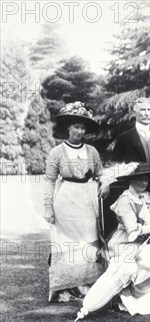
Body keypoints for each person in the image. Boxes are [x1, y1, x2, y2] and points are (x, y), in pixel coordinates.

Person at [44, 102, 104, 302]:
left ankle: (86, 283)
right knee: (67, 244)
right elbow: (50, 180)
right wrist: (48, 207)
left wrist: (105, 185)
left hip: (87, 201)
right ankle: (66, 287)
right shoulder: (57, 152)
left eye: (82, 127)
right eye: (76, 126)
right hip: (65, 201)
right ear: (68, 127)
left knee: (88, 241)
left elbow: (100, 174)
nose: (79, 131)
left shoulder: (92, 151)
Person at [103, 162, 150, 316]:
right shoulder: (125, 200)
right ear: (130, 181)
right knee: (149, 257)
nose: (143, 183)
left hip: (140, 242)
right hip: (124, 243)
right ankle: (136, 300)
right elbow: (132, 231)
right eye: (139, 180)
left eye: (146, 180)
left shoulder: (145, 197)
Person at [109, 97, 150, 229]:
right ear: (134, 112)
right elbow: (115, 166)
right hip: (135, 192)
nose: (146, 113)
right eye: (142, 110)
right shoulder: (124, 138)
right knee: (138, 227)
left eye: (149, 110)